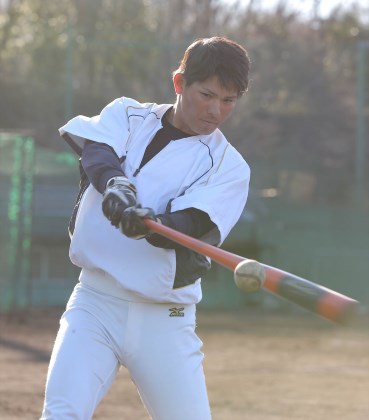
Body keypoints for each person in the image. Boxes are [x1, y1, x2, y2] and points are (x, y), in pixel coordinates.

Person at [41, 36, 251, 420]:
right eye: (207, 94)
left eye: (229, 100)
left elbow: (195, 225)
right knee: (61, 414)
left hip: (163, 319)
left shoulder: (229, 166)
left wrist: (150, 225)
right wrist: (117, 186)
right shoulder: (128, 114)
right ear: (179, 83)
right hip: (93, 303)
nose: (216, 111)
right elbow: (97, 151)